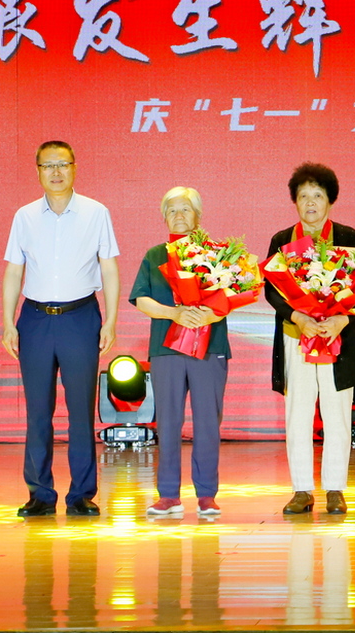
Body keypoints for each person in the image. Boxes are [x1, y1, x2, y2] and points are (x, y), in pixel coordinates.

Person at [2, 141, 120, 517]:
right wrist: (7, 323)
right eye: (48, 165)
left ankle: (81, 494)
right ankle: (40, 494)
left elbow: (109, 268)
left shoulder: (96, 212)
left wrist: (111, 320)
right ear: (37, 171)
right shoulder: (24, 216)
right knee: (38, 410)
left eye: (63, 164)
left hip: (80, 318)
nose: (56, 172)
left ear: (74, 168)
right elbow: (14, 271)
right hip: (35, 320)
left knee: (80, 410)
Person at [265, 163, 355, 516]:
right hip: (298, 336)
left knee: (337, 413)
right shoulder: (282, 240)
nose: (310, 203)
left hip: (337, 337)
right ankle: (302, 490)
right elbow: (272, 290)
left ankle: (335, 489)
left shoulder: (347, 236)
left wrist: (340, 319)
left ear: (330, 200)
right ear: (294, 201)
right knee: (299, 413)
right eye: (303, 196)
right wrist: (298, 317)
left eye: (317, 196)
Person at [130, 187, 229, 517]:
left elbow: (231, 296)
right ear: (164, 217)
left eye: (185, 209)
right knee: (169, 422)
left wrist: (209, 315)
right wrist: (174, 314)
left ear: (198, 215)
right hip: (166, 348)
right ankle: (169, 495)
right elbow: (142, 300)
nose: (179, 215)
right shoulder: (154, 255)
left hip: (210, 348)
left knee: (207, 423)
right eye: (171, 210)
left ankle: (207, 495)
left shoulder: (216, 254)